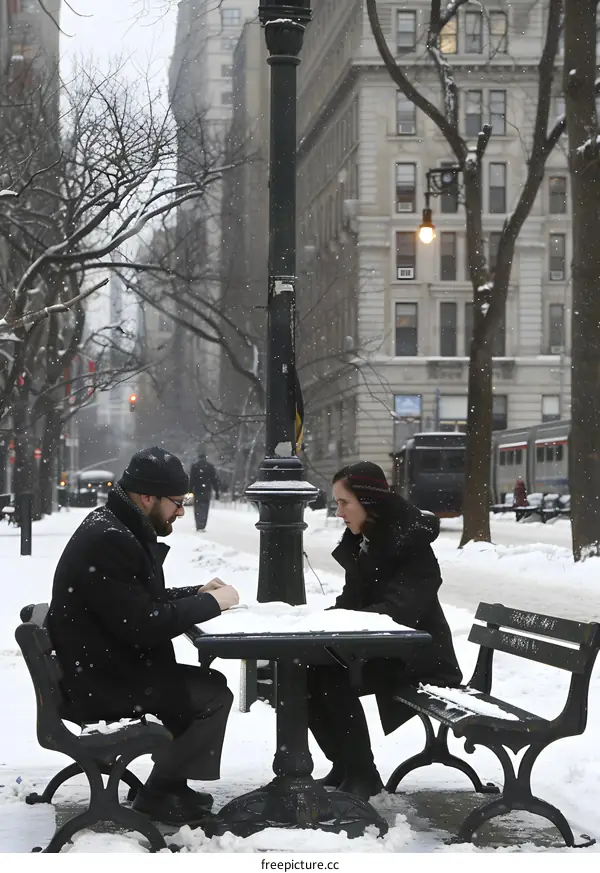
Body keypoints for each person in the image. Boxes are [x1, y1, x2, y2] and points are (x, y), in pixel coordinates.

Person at [47, 447, 240, 828]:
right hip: (102, 685)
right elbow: (144, 623)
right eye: (177, 502)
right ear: (148, 498)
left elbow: (136, 603)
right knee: (213, 694)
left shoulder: (114, 527)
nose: (182, 511)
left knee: (208, 686)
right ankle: (163, 792)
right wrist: (212, 606)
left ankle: (168, 787)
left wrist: (197, 593)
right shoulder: (111, 540)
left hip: (103, 670)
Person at [307, 461, 462, 802]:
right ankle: (345, 765)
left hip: (421, 660)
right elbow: (352, 602)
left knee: (332, 677)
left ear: (368, 501)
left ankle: (363, 774)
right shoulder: (365, 542)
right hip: (388, 652)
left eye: (344, 502)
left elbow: (399, 613)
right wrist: (323, 622)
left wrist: (343, 623)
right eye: (337, 503)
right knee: (307, 671)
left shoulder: (411, 546)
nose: (338, 512)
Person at [189, 449, 221, 531]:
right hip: (206, 490)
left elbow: (192, 480)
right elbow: (214, 480)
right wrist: (217, 491)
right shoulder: (210, 467)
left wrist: (189, 490)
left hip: (197, 490)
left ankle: (198, 524)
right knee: (205, 508)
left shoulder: (195, 466)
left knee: (197, 508)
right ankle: (202, 524)